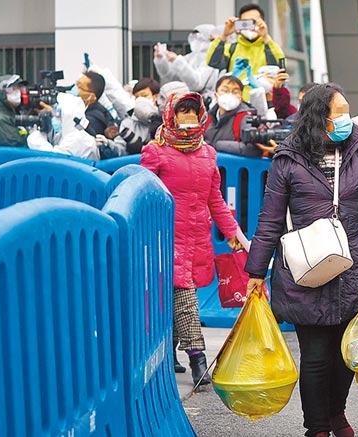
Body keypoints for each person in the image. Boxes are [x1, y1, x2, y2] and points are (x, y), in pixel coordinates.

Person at [244, 83, 358, 437]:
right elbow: (269, 219)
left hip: (352, 269)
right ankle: (316, 428)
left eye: (347, 110)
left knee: (345, 353)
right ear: (318, 116)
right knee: (314, 356)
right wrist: (256, 271)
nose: (347, 118)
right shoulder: (287, 158)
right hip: (305, 269)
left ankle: (336, 415)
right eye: (338, 112)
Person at [140, 92, 244, 385]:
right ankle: (197, 356)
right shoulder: (155, 151)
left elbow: (216, 200)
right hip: (166, 238)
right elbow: (143, 195)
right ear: (170, 115)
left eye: (192, 112)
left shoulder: (208, 153)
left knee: (180, 296)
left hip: (197, 237)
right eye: (182, 112)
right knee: (185, 296)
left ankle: (170, 352)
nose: (188, 118)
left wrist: (234, 233)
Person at [207, 3, 286, 101]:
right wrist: (224, 35)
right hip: (236, 104)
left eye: (253, 22)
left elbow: (281, 68)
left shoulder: (270, 47)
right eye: (245, 23)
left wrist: (265, 37)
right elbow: (212, 62)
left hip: (265, 104)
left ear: (263, 22)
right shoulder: (231, 48)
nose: (249, 27)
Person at [154, 24, 221, 103]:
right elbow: (170, 75)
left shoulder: (213, 58)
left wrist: (177, 61)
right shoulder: (191, 57)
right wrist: (161, 60)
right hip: (188, 101)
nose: (196, 40)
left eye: (200, 38)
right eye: (194, 37)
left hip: (206, 102)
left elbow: (197, 84)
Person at [26, 93, 101, 160]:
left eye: (59, 114)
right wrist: (45, 129)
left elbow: (52, 159)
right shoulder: (67, 134)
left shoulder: (78, 139)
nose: (55, 116)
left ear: (68, 116)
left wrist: (35, 138)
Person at [203, 75, 261, 157]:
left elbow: (252, 148)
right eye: (225, 90)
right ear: (216, 95)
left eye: (235, 92)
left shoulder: (245, 118)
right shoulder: (208, 117)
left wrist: (218, 145)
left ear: (241, 98)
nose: (230, 95)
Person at [0, 74, 29, 147]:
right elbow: (16, 147)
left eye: (18, 88)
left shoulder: (13, 115)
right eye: (12, 89)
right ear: (2, 94)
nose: (17, 92)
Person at [71, 71, 113, 136]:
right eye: (76, 84)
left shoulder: (94, 120)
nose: (73, 89)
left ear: (91, 96)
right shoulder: (81, 109)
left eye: (80, 87)